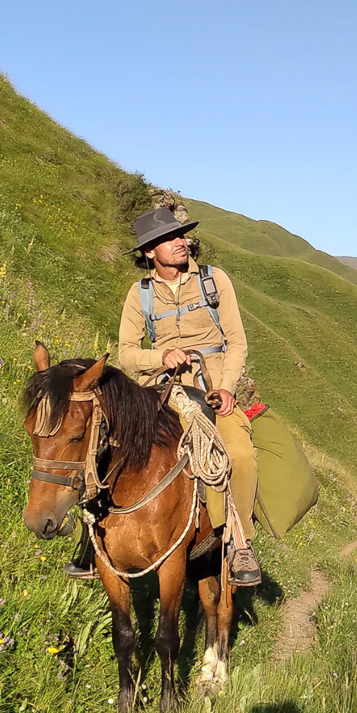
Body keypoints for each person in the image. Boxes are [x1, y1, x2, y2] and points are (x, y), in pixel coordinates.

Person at [117, 206, 262, 587]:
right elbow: (126, 353)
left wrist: (226, 387)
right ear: (150, 252)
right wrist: (160, 356)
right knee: (110, 446)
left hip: (211, 387)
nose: (180, 242)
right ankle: (93, 540)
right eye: (168, 239)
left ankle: (239, 542)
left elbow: (237, 342)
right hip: (160, 390)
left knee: (240, 454)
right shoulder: (140, 294)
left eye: (179, 234)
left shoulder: (215, 280)